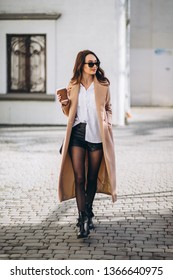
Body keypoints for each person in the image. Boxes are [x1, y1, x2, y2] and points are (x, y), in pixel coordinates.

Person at [57, 50, 117, 239]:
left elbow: (108, 107)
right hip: (77, 133)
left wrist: (107, 123)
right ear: (81, 65)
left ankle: (89, 210)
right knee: (79, 177)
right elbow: (69, 112)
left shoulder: (103, 84)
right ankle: (82, 219)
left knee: (92, 178)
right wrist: (64, 103)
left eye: (96, 63)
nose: (94, 66)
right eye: (90, 63)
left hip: (97, 134)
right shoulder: (73, 84)